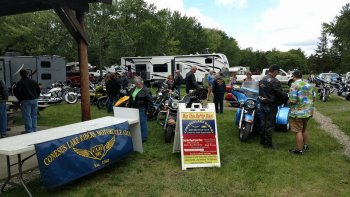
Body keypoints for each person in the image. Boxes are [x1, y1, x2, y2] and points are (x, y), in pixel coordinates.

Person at [258, 65, 288, 149]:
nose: (278, 73)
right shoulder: (275, 81)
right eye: (278, 72)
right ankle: (268, 144)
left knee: (263, 123)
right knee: (270, 124)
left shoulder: (262, 79)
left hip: (262, 103)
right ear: (274, 71)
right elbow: (279, 93)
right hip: (271, 105)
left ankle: (262, 140)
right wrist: (287, 96)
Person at [288, 70, 315, 155]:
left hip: (298, 113)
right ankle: (305, 145)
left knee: (297, 131)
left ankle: (298, 150)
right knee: (304, 129)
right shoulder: (308, 85)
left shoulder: (294, 85)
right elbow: (313, 98)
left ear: (294, 76)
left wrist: (288, 101)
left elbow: (293, 100)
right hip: (308, 112)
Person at [14, 69, 41, 133]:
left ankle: (29, 130)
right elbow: (38, 90)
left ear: (20, 75)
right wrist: (36, 96)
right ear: (27, 74)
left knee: (27, 115)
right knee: (34, 115)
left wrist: (20, 99)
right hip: (34, 100)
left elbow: (16, 92)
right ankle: (34, 129)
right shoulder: (33, 81)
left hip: (25, 100)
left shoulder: (19, 82)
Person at [128, 76, 153, 142]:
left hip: (142, 109)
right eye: (136, 83)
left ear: (142, 82)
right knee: (134, 123)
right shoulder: (133, 89)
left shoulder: (146, 90)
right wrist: (129, 107)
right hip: (133, 108)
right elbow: (131, 99)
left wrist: (148, 110)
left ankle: (144, 138)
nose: (137, 85)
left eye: (138, 83)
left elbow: (150, 101)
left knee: (142, 123)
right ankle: (135, 135)